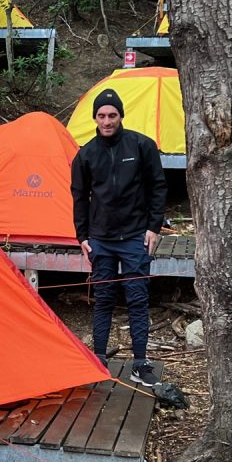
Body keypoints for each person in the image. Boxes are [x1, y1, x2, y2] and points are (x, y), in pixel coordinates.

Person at [70, 88, 167, 387]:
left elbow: (158, 187)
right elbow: (79, 197)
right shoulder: (86, 154)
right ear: (95, 118)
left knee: (138, 299)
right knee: (103, 299)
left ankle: (140, 363)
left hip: (136, 236)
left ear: (120, 115)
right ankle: (99, 360)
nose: (107, 121)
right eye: (101, 116)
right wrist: (82, 236)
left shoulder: (141, 146)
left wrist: (154, 227)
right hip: (100, 238)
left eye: (112, 115)